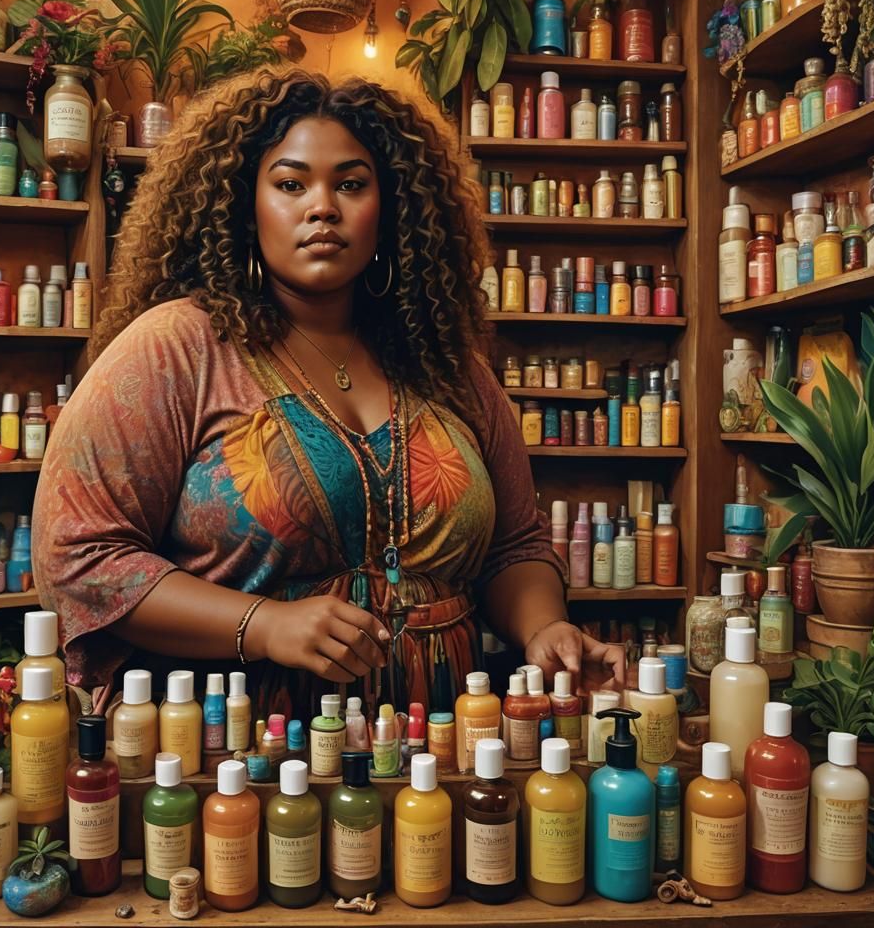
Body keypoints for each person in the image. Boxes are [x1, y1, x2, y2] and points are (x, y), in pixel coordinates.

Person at [32, 67, 624, 720]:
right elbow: (80, 559)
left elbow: (516, 547)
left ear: (389, 207)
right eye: (291, 184)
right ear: (243, 203)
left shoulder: (450, 366)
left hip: (440, 749)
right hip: (242, 753)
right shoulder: (178, 347)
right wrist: (264, 625)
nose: (323, 206)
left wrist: (544, 631)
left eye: (350, 184)